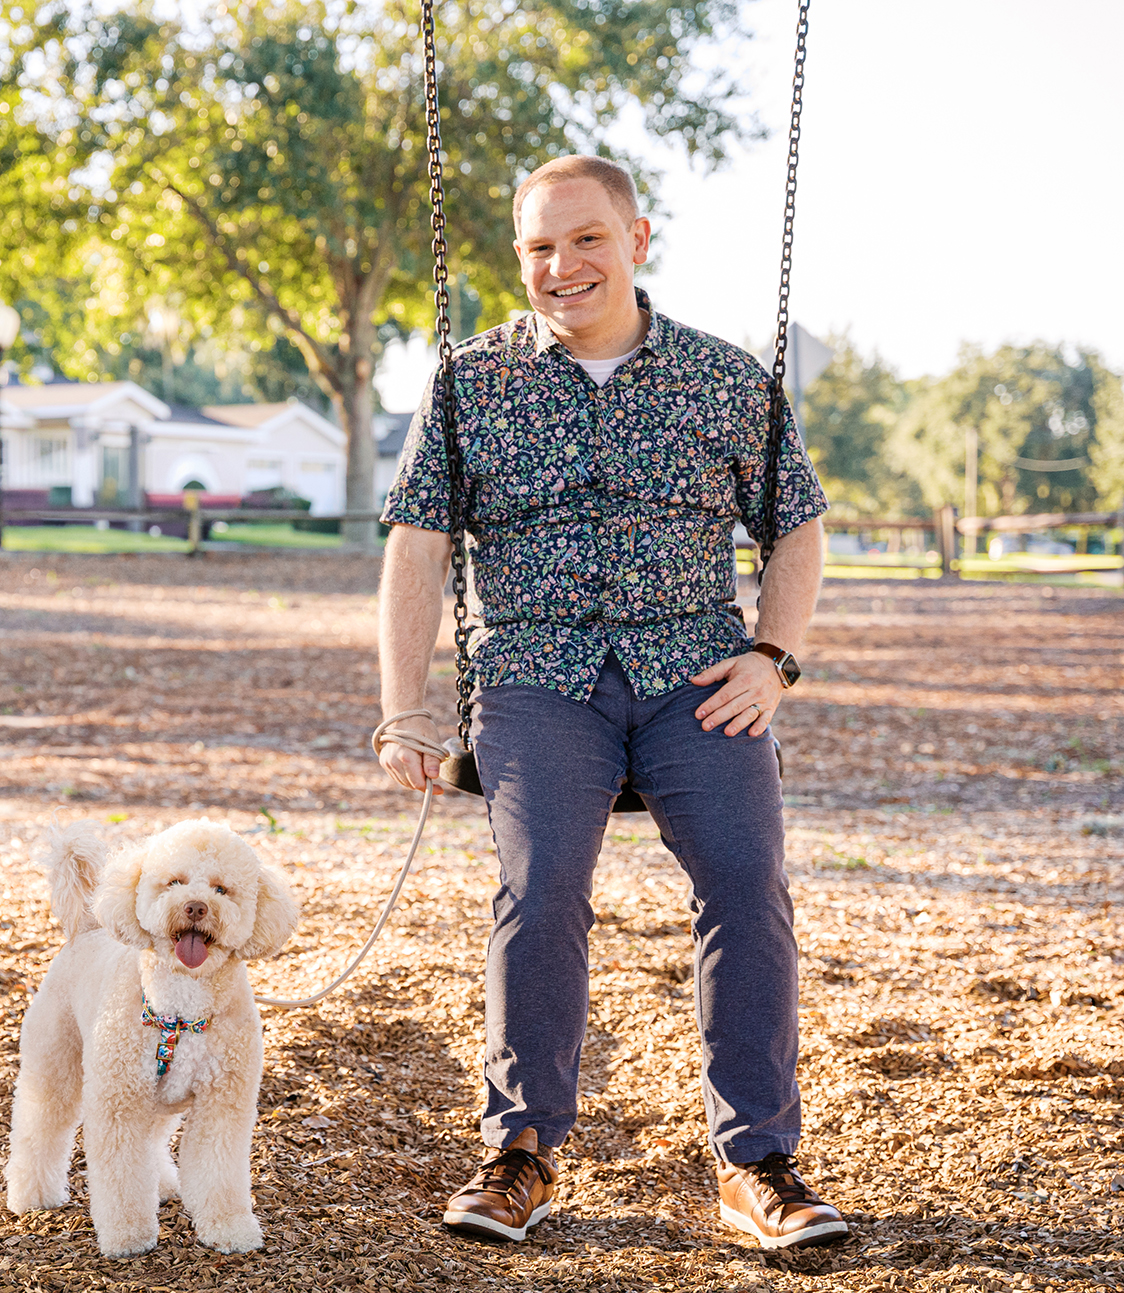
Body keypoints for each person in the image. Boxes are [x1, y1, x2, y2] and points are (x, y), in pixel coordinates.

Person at [375, 157, 844, 1249]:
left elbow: (797, 528)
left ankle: (755, 1164)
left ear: (636, 239)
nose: (559, 266)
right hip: (538, 677)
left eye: (583, 239)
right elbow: (416, 549)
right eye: (538, 247)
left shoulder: (722, 379)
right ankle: (520, 1154)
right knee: (540, 891)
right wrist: (405, 706)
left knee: (745, 881)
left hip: (694, 674)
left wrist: (772, 656)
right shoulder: (468, 384)